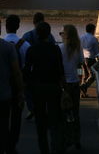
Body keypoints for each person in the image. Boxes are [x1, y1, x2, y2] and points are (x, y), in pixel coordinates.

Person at [23, 22, 65, 154]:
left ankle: (44, 149)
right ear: (49, 33)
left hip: (38, 88)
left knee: (40, 121)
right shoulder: (55, 49)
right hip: (53, 87)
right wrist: (63, 87)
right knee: (54, 120)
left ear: (37, 34)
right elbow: (60, 70)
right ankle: (55, 147)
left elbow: (27, 70)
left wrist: (29, 86)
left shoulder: (31, 49)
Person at [4, 15, 30, 154]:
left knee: (3, 117)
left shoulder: (3, 44)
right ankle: (12, 144)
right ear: (18, 26)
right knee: (16, 117)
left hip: (3, 85)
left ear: (5, 27)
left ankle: (4, 142)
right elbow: (27, 66)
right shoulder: (25, 45)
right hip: (18, 85)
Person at [22, 12, 55, 120]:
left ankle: (33, 109)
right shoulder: (50, 36)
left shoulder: (26, 36)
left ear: (33, 22)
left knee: (29, 92)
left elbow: (23, 55)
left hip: (33, 71)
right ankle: (42, 111)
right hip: (48, 71)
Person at [59, 24, 84, 150]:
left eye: (61, 33)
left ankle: (66, 139)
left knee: (64, 113)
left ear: (65, 35)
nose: (61, 34)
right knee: (75, 113)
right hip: (75, 84)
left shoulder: (59, 48)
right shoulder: (78, 48)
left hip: (64, 85)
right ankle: (77, 139)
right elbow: (80, 63)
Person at [0, 37, 24, 154]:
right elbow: (16, 72)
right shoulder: (8, 47)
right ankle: (9, 148)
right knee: (4, 124)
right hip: (4, 94)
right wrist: (20, 91)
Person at [80, 23, 99, 97]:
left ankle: (83, 94)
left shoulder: (81, 37)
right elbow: (97, 51)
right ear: (92, 30)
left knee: (85, 75)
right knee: (93, 75)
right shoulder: (94, 39)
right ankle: (84, 86)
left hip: (82, 58)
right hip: (90, 58)